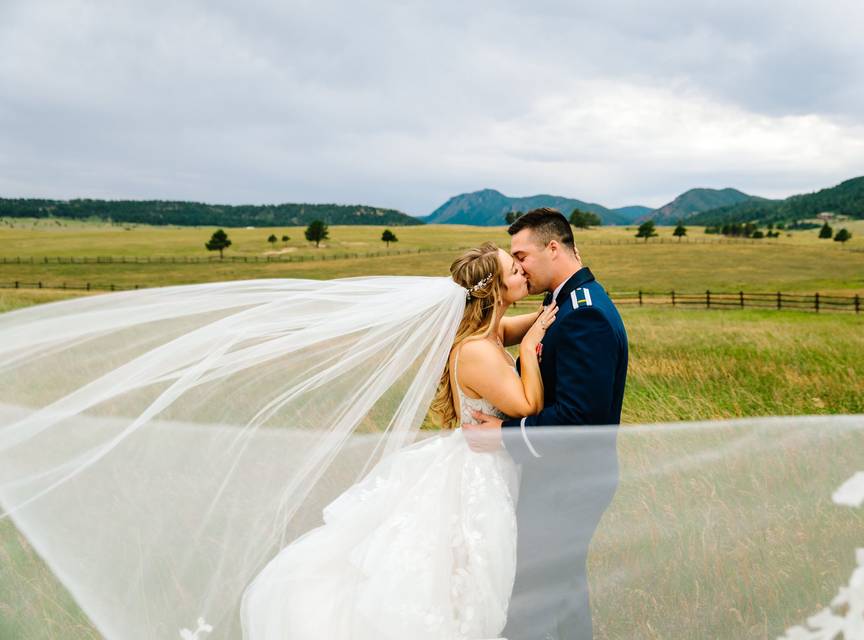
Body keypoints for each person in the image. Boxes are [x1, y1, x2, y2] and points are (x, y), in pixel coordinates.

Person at [240, 242, 559, 640]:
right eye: (514, 270)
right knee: (464, 580)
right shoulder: (478, 350)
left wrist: (555, 311)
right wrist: (530, 350)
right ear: (494, 290)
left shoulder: (489, 333)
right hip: (478, 473)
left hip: (482, 460)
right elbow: (529, 404)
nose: (523, 274)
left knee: (465, 576)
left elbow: (519, 325)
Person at [464, 208, 629, 640]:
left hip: (569, 482)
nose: (518, 267)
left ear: (553, 248)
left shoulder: (584, 315)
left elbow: (579, 419)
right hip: (557, 477)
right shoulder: (561, 303)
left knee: (532, 601)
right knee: (562, 593)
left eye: (522, 256)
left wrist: (502, 436)